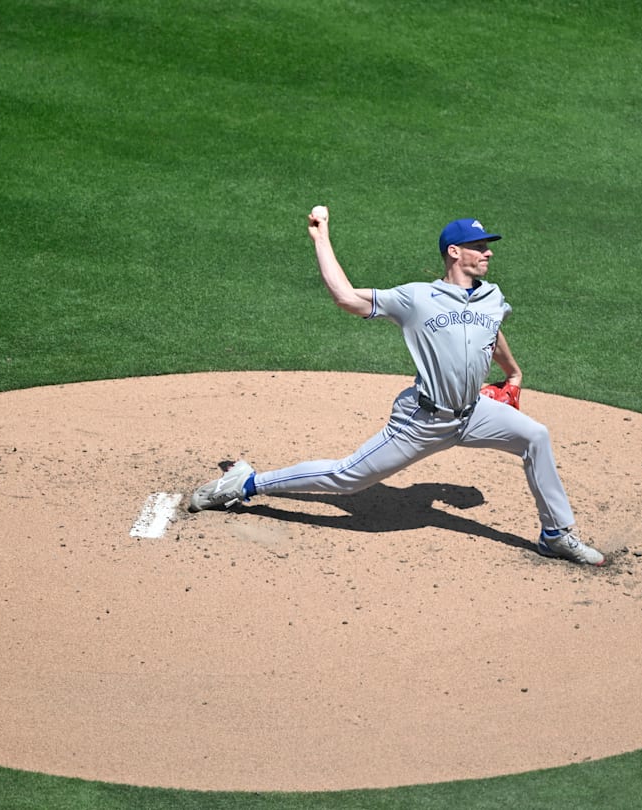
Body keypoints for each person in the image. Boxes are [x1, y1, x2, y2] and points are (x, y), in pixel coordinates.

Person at [188, 208, 606, 566]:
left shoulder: (492, 296)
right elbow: (346, 298)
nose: (488, 252)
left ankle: (555, 534)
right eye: (479, 246)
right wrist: (322, 238)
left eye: (487, 246)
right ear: (454, 252)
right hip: (424, 420)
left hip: (474, 413)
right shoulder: (416, 298)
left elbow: (491, 334)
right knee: (347, 479)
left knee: (535, 436)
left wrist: (512, 372)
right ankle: (244, 483)